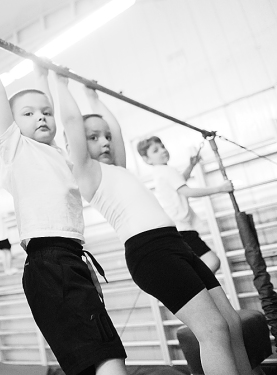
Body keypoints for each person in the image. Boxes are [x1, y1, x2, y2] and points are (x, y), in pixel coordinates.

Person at [54, 74, 253, 375]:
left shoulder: (118, 168)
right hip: (150, 253)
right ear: (76, 144)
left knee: (231, 323)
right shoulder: (87, 172)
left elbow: (116, 130)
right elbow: (71, 121)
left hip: (176, 244)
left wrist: (93, 97)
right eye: (93, 137)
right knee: (213, 328)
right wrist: (60, 83)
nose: (105, 142)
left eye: (105, 137)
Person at [0, 36, 127, 375]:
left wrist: (41, 74)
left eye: (46, 114)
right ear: (14, 124)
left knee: (92, 361)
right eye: (28, 114)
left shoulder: (57, 153)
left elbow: (47, 109)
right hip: (50, 261)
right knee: (106, 356)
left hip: (70, 258)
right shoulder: (17, 149)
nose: (41, 118)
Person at [137, 136, 232, 272]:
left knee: (197, 265)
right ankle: (195, 285)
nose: (163, 150)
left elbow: (179, 181)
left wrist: (191, 166)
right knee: (213, 261)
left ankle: (194, 283)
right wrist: (220, 189)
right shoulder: (167, 170)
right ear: (147, 159)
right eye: (155, 150)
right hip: (181, 229)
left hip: (176, 228)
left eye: (163, 146)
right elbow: (187, 191)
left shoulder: (160, 172)